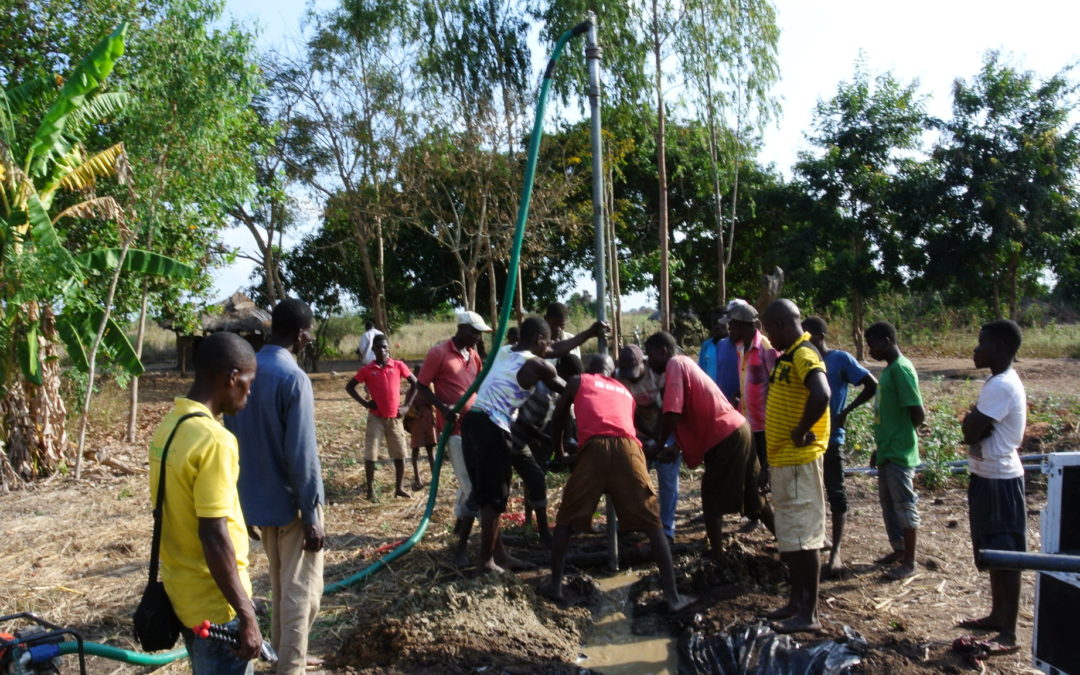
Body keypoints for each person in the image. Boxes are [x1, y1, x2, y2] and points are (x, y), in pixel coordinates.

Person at [543, 354, 693, 612]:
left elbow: (559, 419)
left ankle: (555, 587)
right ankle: (673, 597)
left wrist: (560, 454)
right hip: (629, 449)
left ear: (590, 369)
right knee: (653, 524)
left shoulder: (579, 380)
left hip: (593, 449)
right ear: (612, 373)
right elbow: (618, 428)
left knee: (566, 522)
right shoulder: (625, 391)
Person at [149, 331, 262, 674]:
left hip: (183, 595)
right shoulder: (216, 440)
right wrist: (245, 613)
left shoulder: (170, 427)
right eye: (248, 381)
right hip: (216, 607)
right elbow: (213, 534)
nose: (250, 390)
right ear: (231, 377)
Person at [224, 300, 324, 675]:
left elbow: (234, 444)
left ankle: (285, 658)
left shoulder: (246, 371)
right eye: (308, 332)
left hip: (257, 503)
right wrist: (312, 513)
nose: (309, 338)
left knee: (283, 586)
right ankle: (292, 668)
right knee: (303, 594)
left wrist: (242, 503)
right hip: (293, 506)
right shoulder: (293, 378)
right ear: (300, 334)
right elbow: (301, 453)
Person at [463, 316, 603, 573]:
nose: (549, 349)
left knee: (486, 495)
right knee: (494, 499)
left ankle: (499, 555)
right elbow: (570, 389)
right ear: (539, 341)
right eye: (546, 343)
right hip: (493, 427)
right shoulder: (539, 366)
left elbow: (555, 349)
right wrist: (604, 389)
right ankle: (486, 562)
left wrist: (589, 333)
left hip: (473, 421)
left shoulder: (506, 350)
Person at [644, 331, 773, 561]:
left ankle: (717, 556)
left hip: (725, 436)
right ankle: (788, 544)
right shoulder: (684, 365)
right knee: (753, 497)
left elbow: (672, 414)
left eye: (650, 354)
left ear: (663, 351)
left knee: (711, 497)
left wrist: (657, 444)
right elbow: (691, 413)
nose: (649, 360)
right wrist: (675, 447)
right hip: (738, 430)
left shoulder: (675, 364)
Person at [759, 299, 831, 634]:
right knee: (791, 538)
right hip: (784, 462)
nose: (767, 335)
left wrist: (801, 430)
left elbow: (822, 393)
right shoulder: (789, 355)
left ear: (783, 324)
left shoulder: (804, 354)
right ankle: (796, 601)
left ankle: (810, 613)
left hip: (800, 461)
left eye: (769, 328)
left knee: (805, 539)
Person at [957, 319, 1026, 653]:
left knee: (1005, 554)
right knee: (992, 550)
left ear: (998, 347)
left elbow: (970, 431)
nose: (975, 348)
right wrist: (974, 422)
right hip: (987, 475)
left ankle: (1008, 635)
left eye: (980, 342)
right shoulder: (996, 382)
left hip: (1000, 480)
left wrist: (973, 421)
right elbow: (974, 427)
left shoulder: (1001, 386)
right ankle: (998, 616)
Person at [802, 316, 877, 576]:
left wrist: (846, 411)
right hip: (809, 440)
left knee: (836, 492)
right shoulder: (804, 359)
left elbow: (871, 384)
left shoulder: (840, 360)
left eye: (807, 335)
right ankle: (820, 540)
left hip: (832, 438)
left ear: (820, 337)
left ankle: (836, 551)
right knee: (814, 492)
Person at [416, 311, 490, 566]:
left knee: (467, 480)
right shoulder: (439, 353)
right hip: (455, 431)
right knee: (472, 487)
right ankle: (468, 547)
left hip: (475, 428)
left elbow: (477, 388)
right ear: (462, 329)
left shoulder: (475, 356)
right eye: (475, 332)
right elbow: (422, 386)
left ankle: (460, 528)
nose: (478, 337)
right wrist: (443, 408)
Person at [865, 321, 925, 581]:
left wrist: (899, 439)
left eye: (872, 345)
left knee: (904, 504)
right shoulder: (889, 371)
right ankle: (899, 550)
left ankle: (910, 562)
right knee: (888, 503)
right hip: (888, 450)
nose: (870, 351)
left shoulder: (901, 370)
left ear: (886, 341)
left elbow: (917, 412)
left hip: (900, 452)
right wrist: (881, 447)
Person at [616, 344, 680, 542]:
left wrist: (659, 440)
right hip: (639, 434)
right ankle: (634, 522)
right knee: (634, 479)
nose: (632, 377)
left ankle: (667, 529)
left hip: (665, 431)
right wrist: (645, 439)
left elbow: (666, 409)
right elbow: (628, 413)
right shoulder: (620, 378)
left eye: (635, 372)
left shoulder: (657, 374)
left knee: (668, 481)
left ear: (643, 362)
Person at [346, 334, 421, 500]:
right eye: (378, 347)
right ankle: (371, 491)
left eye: (384, 347)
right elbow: (350, 387)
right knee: (371, 455)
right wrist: (365, 404)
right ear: (373, 350)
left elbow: (415, 383)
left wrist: (407, 405)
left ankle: (399, 488)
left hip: (395, 417)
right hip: (376, 418)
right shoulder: (367, 370)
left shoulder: (398, 366)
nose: (382, 350)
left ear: (389, 349)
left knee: (400, 454)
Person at [726, 298, 778, 532]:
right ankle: (756, 515)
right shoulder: (740, 348)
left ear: (747, 326)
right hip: (748, 421)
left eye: (733, 325)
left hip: (765, 424)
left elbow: (776, 384)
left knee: (767, 473)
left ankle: (778, 521)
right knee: (753, 472)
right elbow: (746, 378)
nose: (729, 329)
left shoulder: (766, 348)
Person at [699, 307, 741, 404]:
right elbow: (702, 372)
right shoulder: (706, 346)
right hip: (711, 398)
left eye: (721, 323)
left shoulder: (737, 346)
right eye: (714, 323)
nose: (717, 326)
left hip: (732, 399)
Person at [405, 400, 436, 491]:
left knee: (430, 451)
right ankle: (417, 479)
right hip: (417, 419)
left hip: (427, 419)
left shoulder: (427, 388)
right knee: (416, 449)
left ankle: (434, 478)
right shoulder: (414, 389)